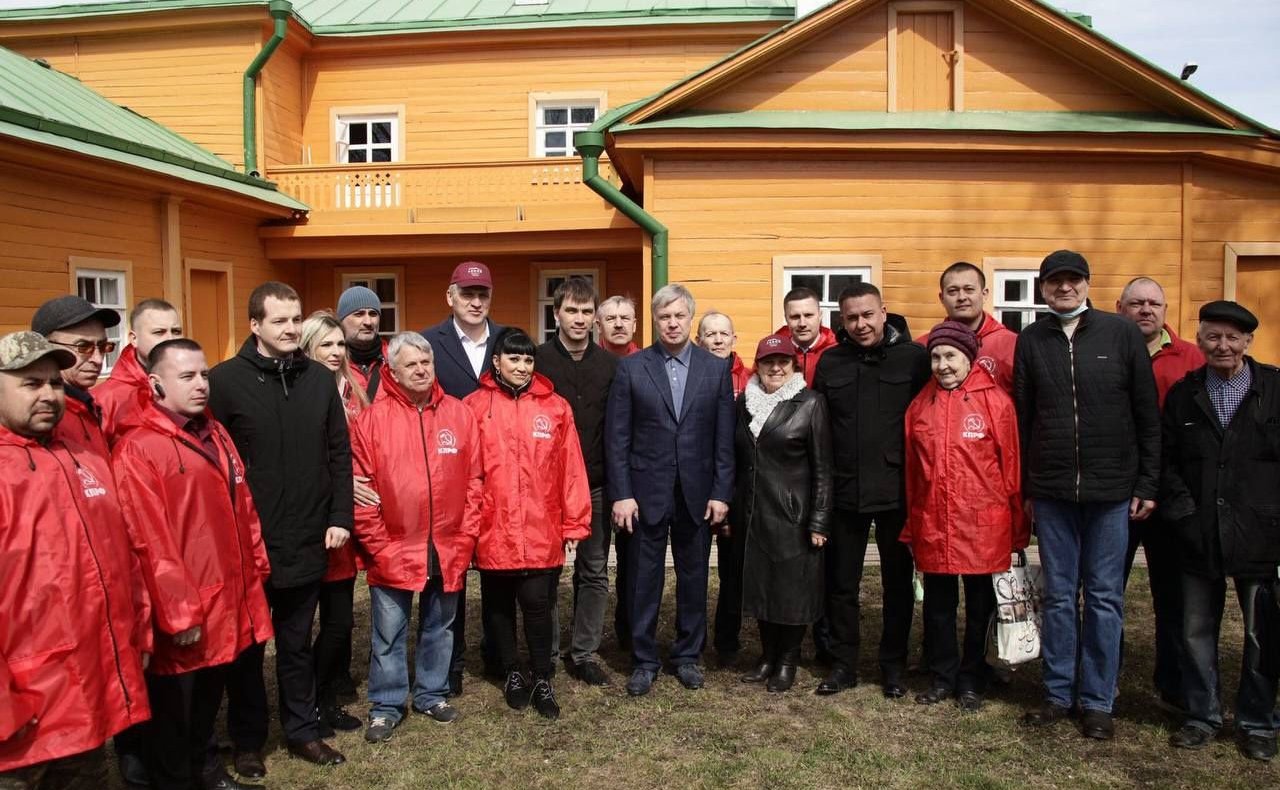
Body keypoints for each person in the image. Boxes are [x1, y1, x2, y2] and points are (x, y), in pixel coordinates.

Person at [111, 338, 274, 790]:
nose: (201, 384)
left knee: (207, 700)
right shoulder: (139, 448)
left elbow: (244, 507)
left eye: (203, 374)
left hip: (226, 595)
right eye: (187, 376)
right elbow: (148, 541)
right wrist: (179, 613)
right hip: (183, 610)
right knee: (174, 715)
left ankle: (206, 770)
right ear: (156, 383)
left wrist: (257, 569)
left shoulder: (215, 432)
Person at [1014, 250, 1160, 741]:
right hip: (1053, 490)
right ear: (1042, 288)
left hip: (1111, 490)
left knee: (1103, 596)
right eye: (1055, 281)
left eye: (1073, 279)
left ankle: (1097, 699)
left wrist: (1147, 482)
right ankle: (1058, 693)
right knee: (1059, 595)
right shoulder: (1032, 339)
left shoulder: (1119, 334)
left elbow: (1146, 413)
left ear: (1087, 284)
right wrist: (1028, 487)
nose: (1065, 288)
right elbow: (1024, 418)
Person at [209, 281, 353, 770]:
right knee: (249, 650)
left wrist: (340, 516)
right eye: (280, 321)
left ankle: (302, 731)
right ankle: (248, 739)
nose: (291, 328)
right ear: (255, 325)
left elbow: (339, 452)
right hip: (249, 543)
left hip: (309, 536)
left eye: (295, 319)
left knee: (295, 644)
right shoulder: (224, 382)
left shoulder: (318, 380)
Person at [0, 331, 151, 787]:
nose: (48, 394)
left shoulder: (83, 457)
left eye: (53, 383)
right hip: (22, 717)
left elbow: (124, 557)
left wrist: (138, 634)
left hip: (87, 699)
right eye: (31, 384)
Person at [1162, 301, 1280, 761]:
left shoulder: (1274, 389)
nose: (1223, 346)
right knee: (1195, 629)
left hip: (1262, 532)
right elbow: (1167, 461)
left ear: (1248, 341)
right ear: (1199, 340)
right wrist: (1183, 513)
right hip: (1199, 531)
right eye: (1213, 337)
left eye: (1232, 337)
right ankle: (1201, 715)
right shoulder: (1184, 394)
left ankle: (1257, 721)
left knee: (1260, 632)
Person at [350, 332, 482, 742]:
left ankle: (431, 693)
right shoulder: (371, 421)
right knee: (389, 631)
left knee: (440, 625)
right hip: (394, 545)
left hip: (447, 543)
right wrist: (378, 545)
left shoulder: (459, 414)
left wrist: (466, 536)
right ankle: (386, 704)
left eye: (426, 363)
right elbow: (361, 491)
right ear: (392, 371)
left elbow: (475, 481)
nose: (422, 370)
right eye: (411, 364)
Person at [605, 283, 735, 697]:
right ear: (655, 321)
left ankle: (687, 655)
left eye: (680, 316)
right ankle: (644, 659)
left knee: (694, 577)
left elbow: (723, 438)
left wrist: (721, 492)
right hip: (645, 493)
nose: (673, 323)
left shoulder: (715, 369)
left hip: (697, 493)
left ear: (691, 319)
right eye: (665, 317)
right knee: (643, 579)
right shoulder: (632, 368)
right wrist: (622, 493)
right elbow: (617, 437)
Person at [465, 329, 591, 719]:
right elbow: (466, 473)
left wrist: (574, 523)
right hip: (494, 525)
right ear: (497, 361)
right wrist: (469, 527)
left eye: (528, 359)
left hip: (540, 525)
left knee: (538, 604)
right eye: (513, 358)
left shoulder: (555, 407)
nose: (521, 367)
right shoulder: (474, 406)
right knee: (498, 605)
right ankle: (511, 672)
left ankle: (541, 677)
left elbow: (571, 468)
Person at [901, 322, 1027, 711]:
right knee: (938, 607)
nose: (943, 365)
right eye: (936, 357)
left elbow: (1012, 469)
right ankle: (943, 676)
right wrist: (911, 526)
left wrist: (1017, 529)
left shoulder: (996, 402)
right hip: (934, 522)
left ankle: (973, 677)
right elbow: (912, 474)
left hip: (983, 524)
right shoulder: (920, 406)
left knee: (979, 606)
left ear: (969, 358)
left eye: (951, 356)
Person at [812, 283, 929, 699]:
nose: (860, 324)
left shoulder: (914, 359)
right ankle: (843, 663)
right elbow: (819, 424)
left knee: (897, 584)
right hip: (845, 490)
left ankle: (893, 665)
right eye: (851, 318)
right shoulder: (831, 362)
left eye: (867, 315)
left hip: (897, 490)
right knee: (841, 583)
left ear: (883, 312)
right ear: (841, 321)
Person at [1115, 277, 1204, 713]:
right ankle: (1105, 678)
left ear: (1165, 310)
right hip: (1117, 491)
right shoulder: (1108, 351)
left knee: (1173, 594)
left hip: (1170, 494)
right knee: (1107, 591)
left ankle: (1173, 682)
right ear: (1120, 308)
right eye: (1136, 303)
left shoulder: (1190, 358)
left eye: (1154, 303)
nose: (1145, 310)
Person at [422, 260, 505, 695]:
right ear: (450, 297)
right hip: (448, 472)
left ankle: (497, 652)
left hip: (500, 471)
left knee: (496, 567)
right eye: (467, 294)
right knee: (448, 572)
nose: (475, 302)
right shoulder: (429, 343)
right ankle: (449, 661)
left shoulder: (507, 340)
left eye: (482, 294)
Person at [732, 333, 832, 692]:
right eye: (768, 362)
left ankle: (788, 659)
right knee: (762, 587)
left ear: (794, 366)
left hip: (793, 514)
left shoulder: (810, 403)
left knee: (791, 591)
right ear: (757, 366)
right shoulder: (744, 403)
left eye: (783, 362)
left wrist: (819, 519)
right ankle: (767, 656)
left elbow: (823, 468)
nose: (775, 368)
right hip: (753, 511)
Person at [536, 278, 620, 686]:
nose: (580, 319)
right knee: (548, 572)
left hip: (597, 483)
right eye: (572, 310)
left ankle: (584, 652)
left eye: (587, 312)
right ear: (557, 314)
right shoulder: (537, 362)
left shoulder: (610, 366)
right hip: (549, 487)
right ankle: (548, 652)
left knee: (594, 571)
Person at [299, 312, 368, 735]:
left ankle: (325, 694)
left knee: (340, 621)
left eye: (340, 344)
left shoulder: (353, 388)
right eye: (325, 344)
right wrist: (344, 482)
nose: (335, 352)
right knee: (302, 626)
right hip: (313, 520)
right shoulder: (299, 391)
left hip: (346, 520)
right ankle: (307, 699)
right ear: (307, 347)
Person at [696, 310, 750, 667]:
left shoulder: (751, 379)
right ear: (699, 340)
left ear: (734, 339)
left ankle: (727, 641)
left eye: (723, 334)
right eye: (710, 334)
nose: (717, 340)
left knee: (734, 568)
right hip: (700, 483)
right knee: (695, 568)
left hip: (738, 485)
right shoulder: (692, 374)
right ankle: (693, 639)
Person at [31, 294, 121, 457]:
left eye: (103, 347)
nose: (98, 359)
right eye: (83, 347)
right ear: (47, 347)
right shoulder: (40, 418)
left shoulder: (89, 404)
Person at [913, 263, 1017, 394]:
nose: (961, 297)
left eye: (969, 289)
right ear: (942, 298)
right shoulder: (923, 347)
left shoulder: (1012, 345)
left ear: (984, 294)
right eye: (953, 291)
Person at [95, 298, 183, 440]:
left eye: (176, 331)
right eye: (159, 332)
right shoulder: (106, 399)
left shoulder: (192, 385)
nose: (170, 339)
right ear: (133, 338)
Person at [336, 286, 390, 403]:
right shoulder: (333, 363)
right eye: (359, 314)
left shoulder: (395, 360)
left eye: (373, 314)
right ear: (341, 321)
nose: (368, 322)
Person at [774, 287, 837, 385]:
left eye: (808, 315)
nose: (802, 323)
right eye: (795, 317)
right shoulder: (772, 351)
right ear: (786, 318)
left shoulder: (837, 352)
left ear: (820, 315)